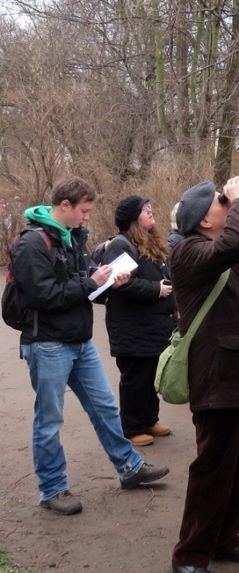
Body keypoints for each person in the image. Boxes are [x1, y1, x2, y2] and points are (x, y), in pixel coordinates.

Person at [10, 177, 169, 516]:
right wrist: (91, 282)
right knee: (49, 420)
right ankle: (52, 489)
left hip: (79, 342)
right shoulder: (31, 244)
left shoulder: (73, 238)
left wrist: (109, 280)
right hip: (48, 344)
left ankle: (129, 467)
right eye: (83, 211)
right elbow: (43, 296)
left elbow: (81, 285)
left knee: (106, 408)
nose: (87, 218)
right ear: (64, 206)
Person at [170, 176, 239, 573]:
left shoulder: (223, 252)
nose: (229, 205)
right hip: (214, 377)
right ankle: (189, 554)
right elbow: (232, 245)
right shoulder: (188, 251)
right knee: (212, 469)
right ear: (205, 219)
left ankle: (225, 538)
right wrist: (237, 201)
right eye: (222, 203)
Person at [104, 196, 175, 447]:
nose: (151, 211)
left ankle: (149, 420)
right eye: (146, 210)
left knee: (150, 376)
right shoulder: (120, 246)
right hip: (131, 327)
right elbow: (121, 285)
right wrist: (156, 290)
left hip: (153, 325)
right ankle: (132, 427)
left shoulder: (152, 241)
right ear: (133, 218)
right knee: (135, 378)